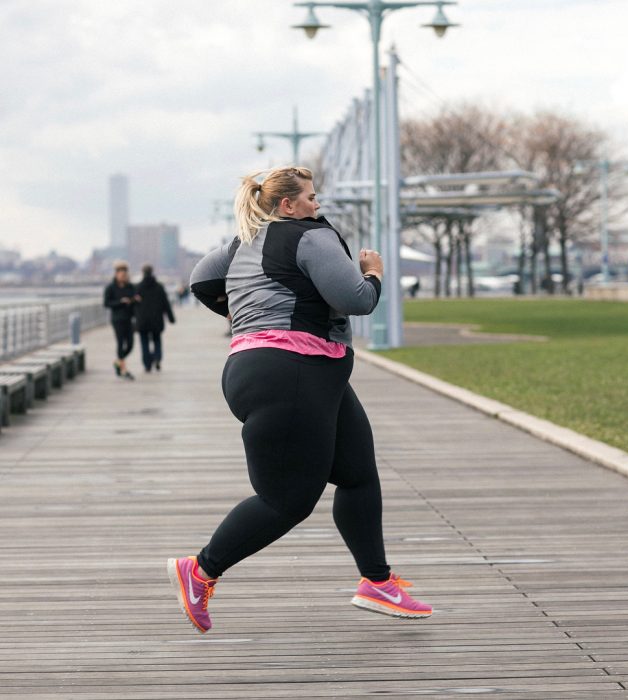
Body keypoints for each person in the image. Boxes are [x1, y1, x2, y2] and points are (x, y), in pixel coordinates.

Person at [167, 166, 432, 634]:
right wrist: (373, 273)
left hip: (286, 372)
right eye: (311, 197)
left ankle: (377, 581)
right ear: (287, 206)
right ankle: (202, 569)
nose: (318, 204)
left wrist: (243, 312)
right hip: (292, 373)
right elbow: (355, 299)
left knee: (357, 475)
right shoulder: (311, 237)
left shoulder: (241, 244)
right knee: (286, 501)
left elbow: (201, 280)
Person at [134, 264, 176, 372]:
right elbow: (165, 303)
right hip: (156, 319)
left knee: (144, 342)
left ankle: (147, 364)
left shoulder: (137, 287)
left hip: (142, 320)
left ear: (143, 272)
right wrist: (171, 317)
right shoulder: (159, 286)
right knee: (157, 340)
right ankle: (157, 358)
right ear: (152, 272)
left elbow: (133, 304)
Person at [103, 261, 137, 380]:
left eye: (125, 274)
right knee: (120, 343)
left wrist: (134, 300)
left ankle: (118, 362)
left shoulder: (130, 286)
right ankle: (124, 369)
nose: (123, 277)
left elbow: (134, 299)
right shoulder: (110, 287)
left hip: (129, 319)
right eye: (121, 274)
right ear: (116, 274)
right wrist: (120, 302)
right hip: (117, 319)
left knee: (130, 345)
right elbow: (106, 303)